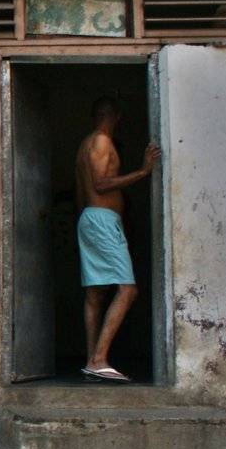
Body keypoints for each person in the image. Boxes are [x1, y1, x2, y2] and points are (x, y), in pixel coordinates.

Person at [74, 96, 160, 383]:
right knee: (127, 289)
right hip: (102, 221)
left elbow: (82, 191)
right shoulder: (101, 142)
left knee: (95, 293)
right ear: (116, 116)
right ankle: (99, 360)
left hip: (90, 218)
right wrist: (143, 171)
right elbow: (101, 184)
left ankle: (91, 364)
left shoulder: (85, 144)